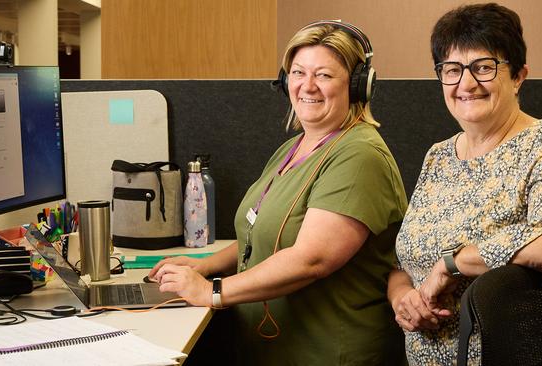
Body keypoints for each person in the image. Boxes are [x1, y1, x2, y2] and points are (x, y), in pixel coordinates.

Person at [150, 20, 408, 365]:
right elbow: (258, 232)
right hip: (274, 348)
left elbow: (311, 259)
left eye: (325, 76)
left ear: (359, 86)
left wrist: (211, 291)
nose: (308, 86)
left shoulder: (359, 156)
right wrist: (203, 265)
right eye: (298, 72)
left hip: (329, 353)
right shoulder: (293, 147)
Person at [386, 3, 542, 365]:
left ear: (518, 76)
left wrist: (449, 265)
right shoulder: (438, 156)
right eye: (452, 70)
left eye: (483, 67)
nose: (466, 83)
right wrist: (402, 298)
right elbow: (404, 261)